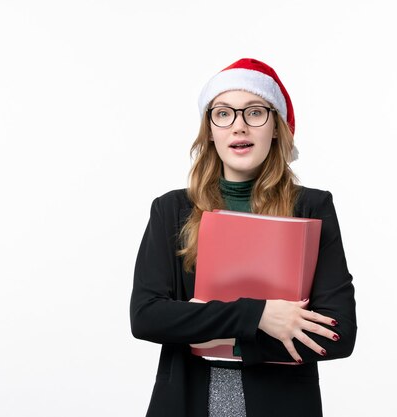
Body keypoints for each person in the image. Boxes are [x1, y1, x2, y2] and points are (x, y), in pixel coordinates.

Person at [130, 58, 357, 417]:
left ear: (277, 128)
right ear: (209, 130)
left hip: (281, 404)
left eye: (254, 112)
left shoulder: (312, 207)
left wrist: (217, 334)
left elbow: (338, 333)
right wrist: (259, 315)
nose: (239, 126)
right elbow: (147, 317)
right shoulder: (171, 209)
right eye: (223, 114)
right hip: (187, 402)